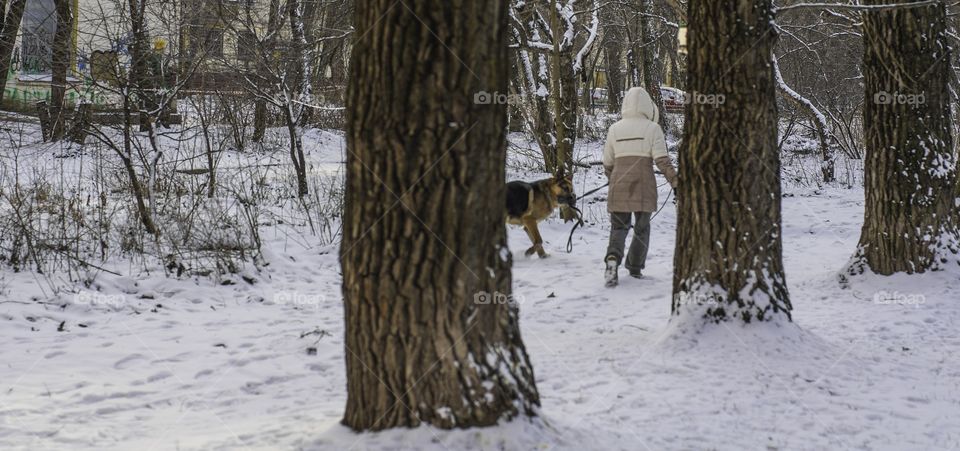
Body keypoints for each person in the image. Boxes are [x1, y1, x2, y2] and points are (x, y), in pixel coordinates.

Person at [602, 87, 678, 287]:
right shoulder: (653, 129)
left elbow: (608, 163)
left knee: (618, 227)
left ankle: (612, 260)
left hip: (618, 184)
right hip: (644, 186)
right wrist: (676, 183)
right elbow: (663, 161)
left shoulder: (614, 129)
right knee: (641, 229)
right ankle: (635, 267)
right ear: (648, 107)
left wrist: (614, 179)